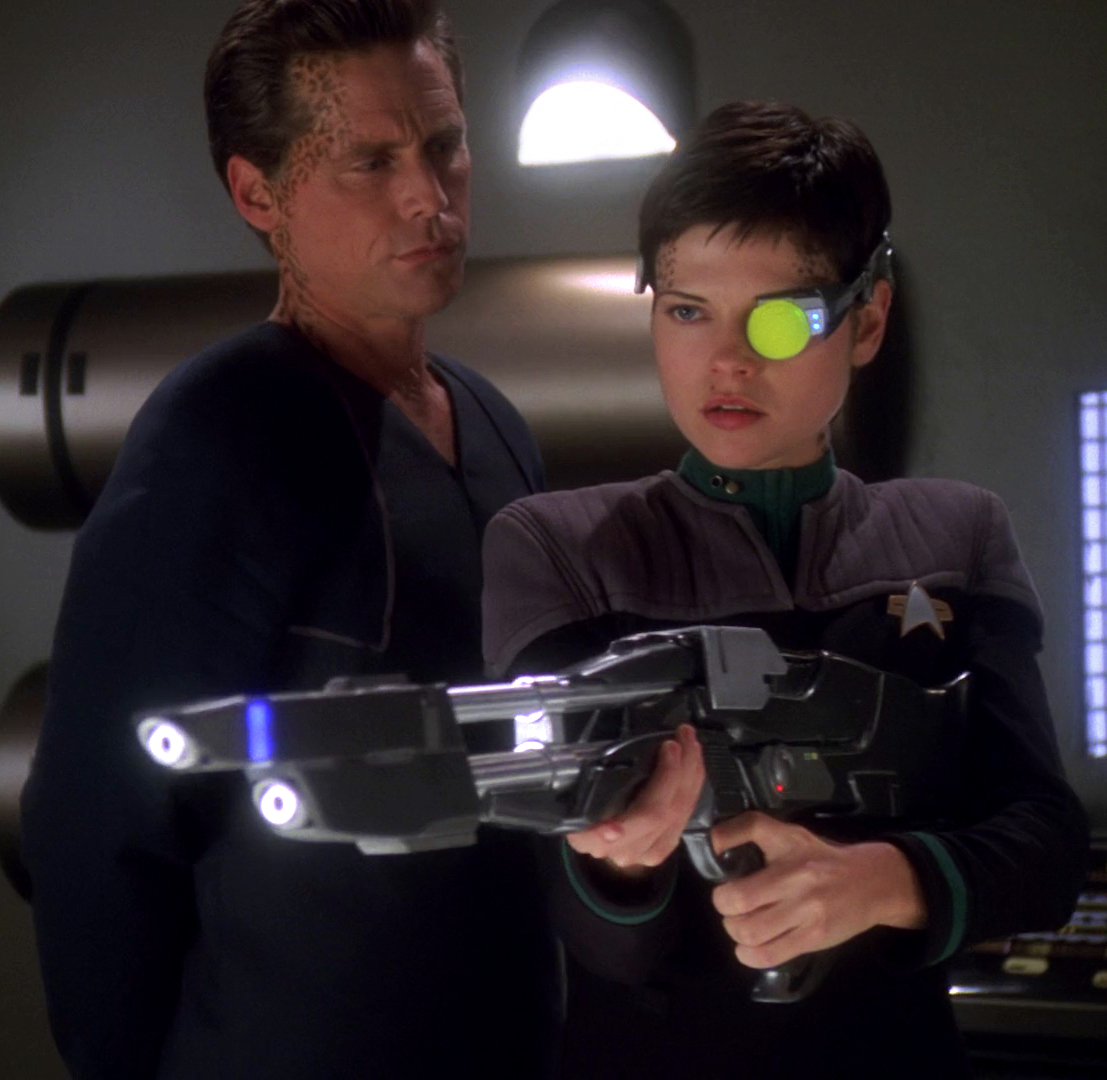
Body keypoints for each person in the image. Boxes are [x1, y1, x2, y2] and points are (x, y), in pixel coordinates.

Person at [481, 101, 1089, 1079]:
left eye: (781, 317)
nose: (727, 360)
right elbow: (595, 942)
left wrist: (874, 881)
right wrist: (622, 858)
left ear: (868, 321)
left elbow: (1044, 847)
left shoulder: (957, 536)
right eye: (687, 310)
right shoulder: (557, 547)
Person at [20, 2, 561, 1077]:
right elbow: (96, 818)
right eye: (371, 161)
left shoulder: (495, 424)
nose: (430, 196)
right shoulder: (218, 434)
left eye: (445, 146)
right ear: (258, 194)